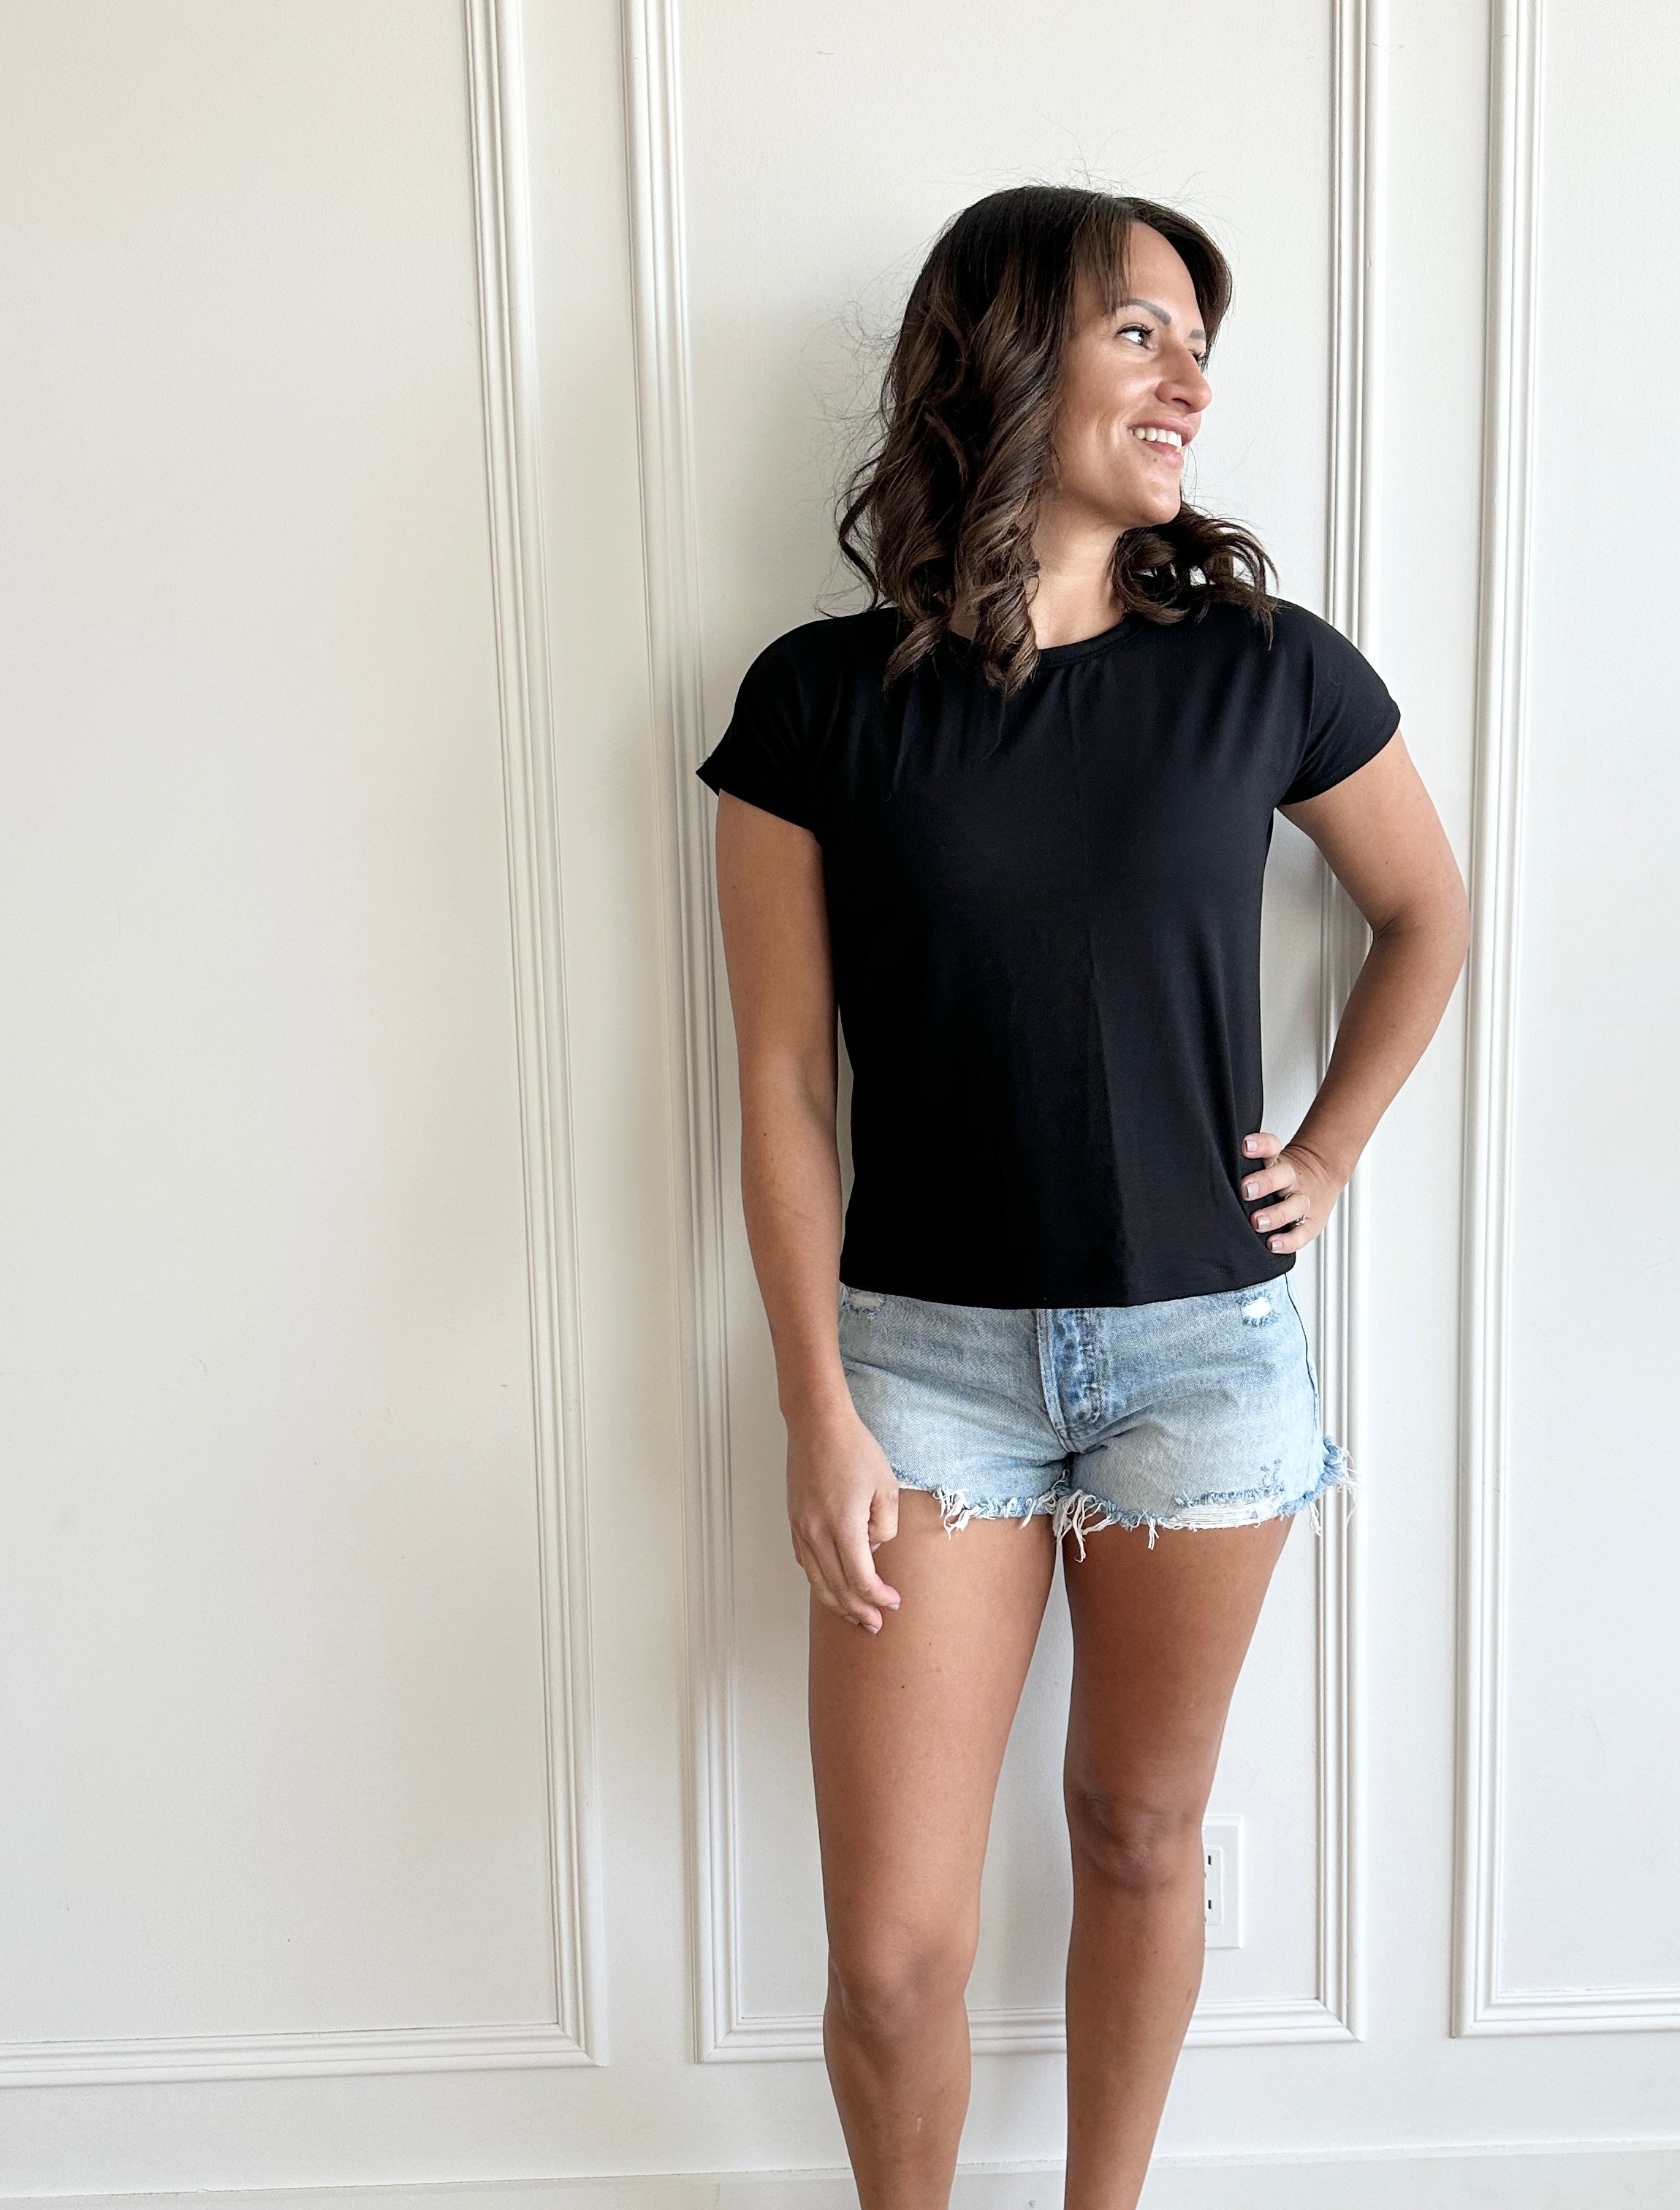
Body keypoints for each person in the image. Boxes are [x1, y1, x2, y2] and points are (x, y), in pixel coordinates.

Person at [696, 183, 1469, 2210]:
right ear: (1009, 352)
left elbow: (1426, 914)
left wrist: (1331, 1153)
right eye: (1142, 330)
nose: (1193, 372)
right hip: (921, 1372)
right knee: (892, 1952)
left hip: (1203, 1356)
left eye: (1197, 336)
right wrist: (818, 1404)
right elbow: (779, 1081)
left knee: (1140, 1832)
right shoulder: (815, 703)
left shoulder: (1263, 671)